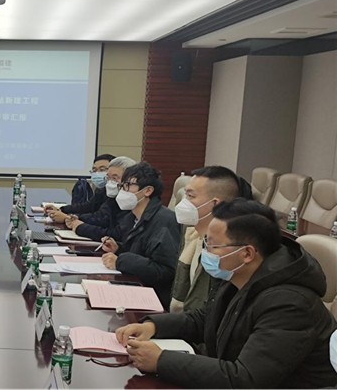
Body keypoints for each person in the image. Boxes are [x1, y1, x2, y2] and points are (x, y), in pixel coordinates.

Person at [116, 199, 337, 388]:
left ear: (247, 253)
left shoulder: (290, 304)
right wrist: (153, 326)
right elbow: (205, 319)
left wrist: (161, 361)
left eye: (212, 245)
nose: (206, 251)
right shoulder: (241, 275)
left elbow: (246, 379)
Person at [100, 162, 180, 309]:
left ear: (147, 191)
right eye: (122, 186)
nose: (122, 191)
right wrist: (118, 249)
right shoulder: (132, 218)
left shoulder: (164, 221)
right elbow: (141, 253)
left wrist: (121, 261)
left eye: (128, 186)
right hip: (134, 288)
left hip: (151, 299)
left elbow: (165, 271)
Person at [169, 166, 243, 313]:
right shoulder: (192, 234)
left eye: (190, 196)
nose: (183, 202)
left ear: (215, 204)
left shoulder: (226, 252)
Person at [65, 156, 136, 242]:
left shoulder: (130, 202)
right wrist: (74, 218)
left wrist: (81, 227)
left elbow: (118, 234)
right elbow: (100, 215)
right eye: (108, 178)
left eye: (114, 178)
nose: (110, 183)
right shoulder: (112, 196)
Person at [44, 154, 115, 223]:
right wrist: (61, 209)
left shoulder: (115, 192)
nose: (97, 173)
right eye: (94, 170)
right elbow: (88, 206)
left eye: (102, 170)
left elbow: (101, 218)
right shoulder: (101, 189)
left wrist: (68, 218)